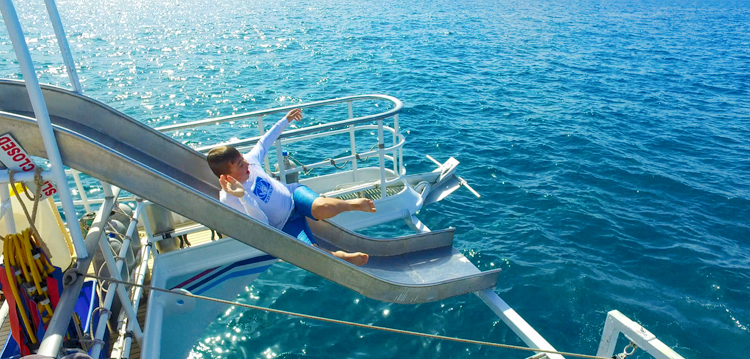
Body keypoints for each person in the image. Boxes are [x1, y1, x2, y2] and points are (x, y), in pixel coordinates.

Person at [207, 108, 375, 266]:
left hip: (294, 196)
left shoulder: (250, 161)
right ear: (227, 177)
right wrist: (244, 196)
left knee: (321, 206)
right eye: (239, 165)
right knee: (312, 254)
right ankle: (343, 257)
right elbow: (261, 224)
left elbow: (265, 141)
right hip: (285, 224)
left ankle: (352, 204)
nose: (246, 164)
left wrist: (286, 120)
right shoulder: (229, 198)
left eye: (242, 159)